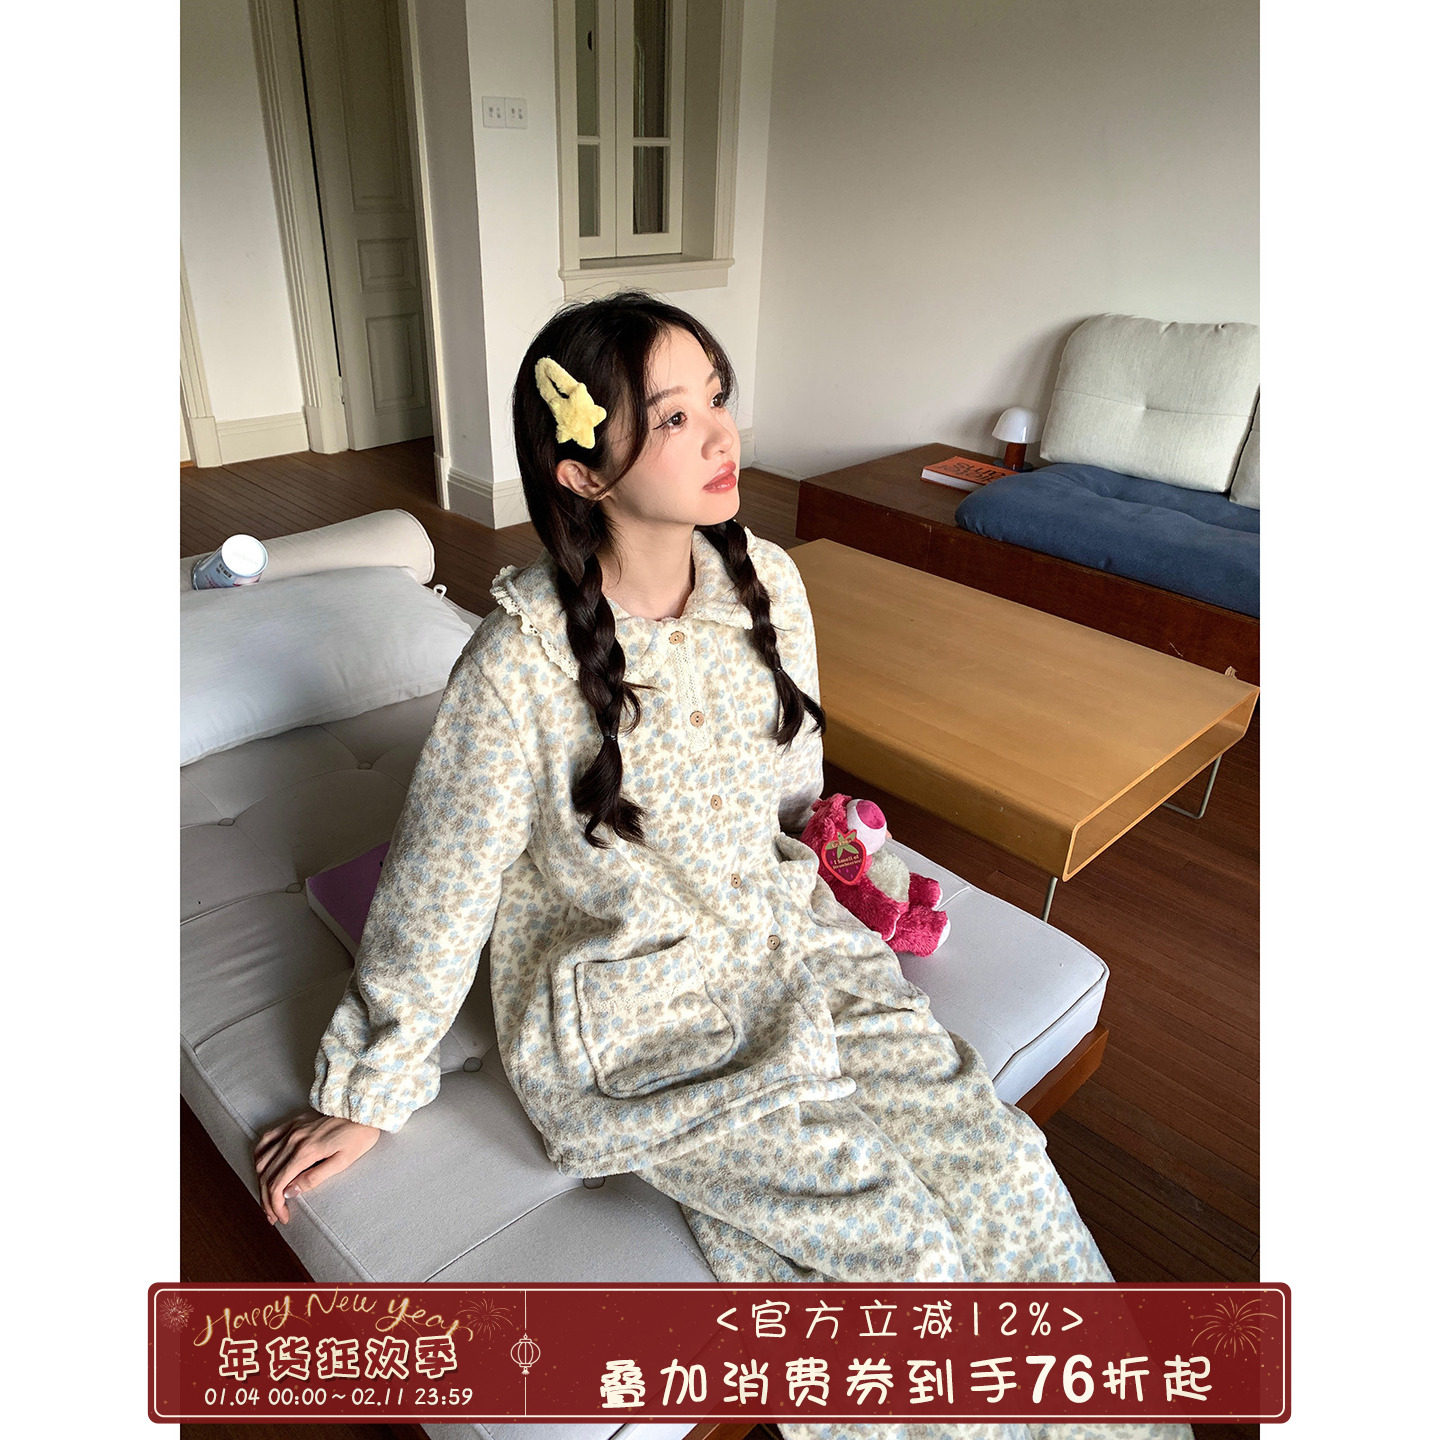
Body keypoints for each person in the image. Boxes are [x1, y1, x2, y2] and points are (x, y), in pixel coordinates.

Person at [255, 292, 1189, 1440]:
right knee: (903, 1253)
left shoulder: (768, 582)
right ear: (582, 473)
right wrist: (368, 1091)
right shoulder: (516, 667)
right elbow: (437, 892)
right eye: (673, 416)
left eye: (717, 397)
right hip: (641, 1018)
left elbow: (791, 785)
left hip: (791, 942)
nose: (719, 433)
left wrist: (840, 866)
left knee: (1004, 1167)